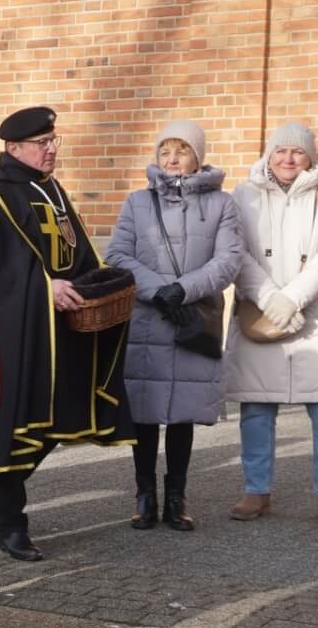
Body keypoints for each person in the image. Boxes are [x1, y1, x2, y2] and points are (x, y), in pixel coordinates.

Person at [0, 107, 133, 562]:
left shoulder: (51, 189)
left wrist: (97, 284)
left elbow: (75, 251)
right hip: (17, 333)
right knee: (16, 428)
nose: (52, 149)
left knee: (59, 420)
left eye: (54, 140)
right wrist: (44, 287)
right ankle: (8, 521)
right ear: (14, 148)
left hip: (63, 329)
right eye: (42, 143)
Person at [103, 120, 242, 531]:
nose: (173, 159)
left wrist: (184, 288)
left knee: (182, 416)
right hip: (147, 318)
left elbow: (229, 259)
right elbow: (118, 254)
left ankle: (176, 498)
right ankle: (144, 495)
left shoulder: (223, 204)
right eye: (165, 151)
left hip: (192, 319)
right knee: (144, 414)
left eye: (182, 151)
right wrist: (157, 289)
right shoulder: (136, 203)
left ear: (197, 157)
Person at [224, 121, 318, 525]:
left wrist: (293, 298)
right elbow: (237, 251)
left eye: (297, 152)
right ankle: (256, 491)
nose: (288, 159)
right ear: (268, 154)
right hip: (260, 313)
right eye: (280, 151)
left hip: (317, 316)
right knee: (256, 408)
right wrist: (271, 299)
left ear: (310, 157)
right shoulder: (243, 196)